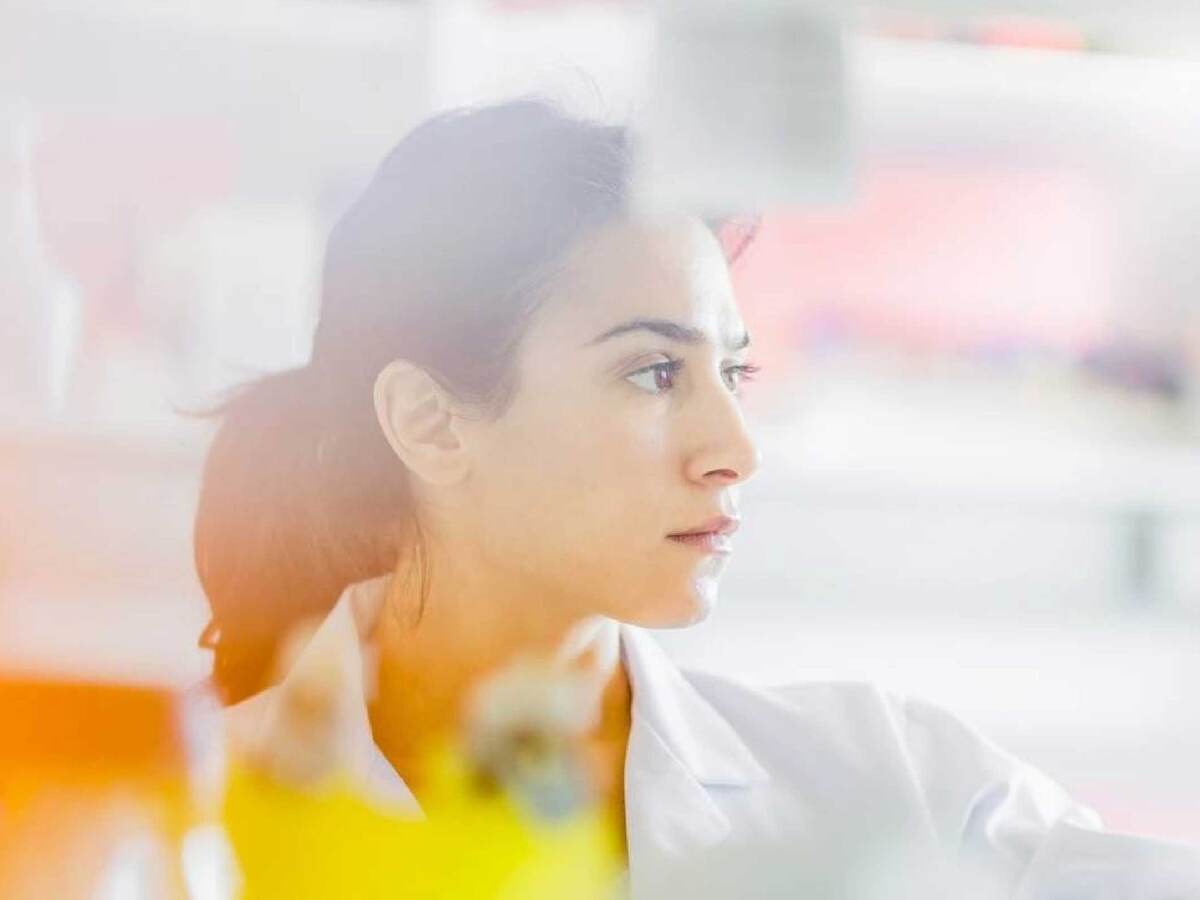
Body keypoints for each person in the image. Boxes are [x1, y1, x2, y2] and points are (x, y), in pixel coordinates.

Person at [195, 98, 1200, 898]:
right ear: (429, 421)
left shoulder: (898, 783)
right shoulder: (183, 814)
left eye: (736, 374)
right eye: (653, 373)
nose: (736, 450)